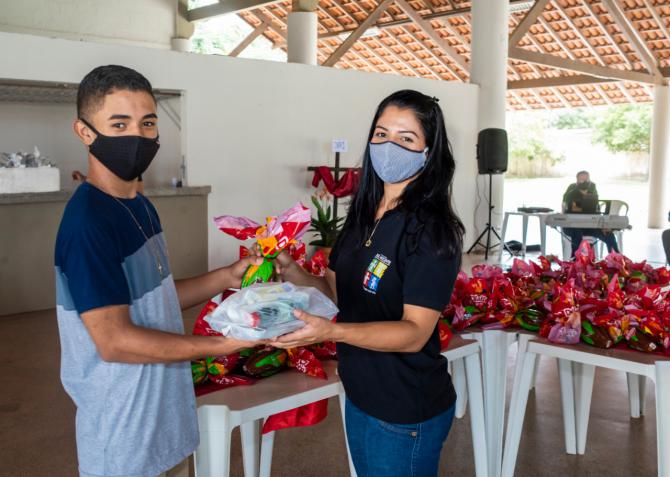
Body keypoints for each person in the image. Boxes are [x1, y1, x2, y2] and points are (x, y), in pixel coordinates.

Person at [55, 65, 262, 477]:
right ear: (84, 132)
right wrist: (222, 345)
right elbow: (115, 342)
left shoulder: (140, 206)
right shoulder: (88, 223)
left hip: (163, 422)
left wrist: (226, 276)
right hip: (124, 437)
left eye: (147, 122)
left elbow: (157, 298)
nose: (137, 135)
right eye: (119, 123)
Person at [267, 90, 463, 476]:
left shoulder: (432, 231)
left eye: (406, 139)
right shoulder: (362, 216)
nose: (389, 146)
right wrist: (290, 269)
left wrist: (332, 332)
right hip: (361, 395)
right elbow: (337, 294)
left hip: (405, 409)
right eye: (381, 134)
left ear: (428, 153)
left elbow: (413, 334)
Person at [561, 170, 619, 257]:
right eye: (581, 180)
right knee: (577, 233)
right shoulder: (570, 195)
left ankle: (616, 260)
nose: (584, 182)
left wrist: (603, 226)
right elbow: (565, 211)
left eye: (587, 180)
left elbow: (596, 212)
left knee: (608, 234)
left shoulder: (593, 194)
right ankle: (575, 261)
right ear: (577, 181)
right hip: (573, 226)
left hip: (590, 226)